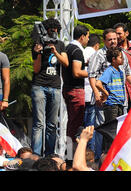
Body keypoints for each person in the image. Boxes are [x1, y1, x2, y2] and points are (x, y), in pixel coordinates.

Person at [88, 28, 131, 158]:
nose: (113, 41)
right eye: (110, 40)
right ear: (104, 41)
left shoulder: (121, 55)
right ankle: (101, 158)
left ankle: (117, 156)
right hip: (105, 101)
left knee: (119, 130)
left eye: (115, 39)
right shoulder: (99, 55)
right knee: (104, 129)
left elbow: (128, 74)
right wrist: (98, 93)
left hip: (121, 100)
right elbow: (92, 76)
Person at [30, 18, 68, 157]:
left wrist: (55, 51)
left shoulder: (60, 44)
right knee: (39, 124)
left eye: (56, 30)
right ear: (46, 30)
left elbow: (66, 63)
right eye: (52, 30)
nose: (54, 32)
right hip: (39, 86)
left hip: (55, 87)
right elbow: (36, 69)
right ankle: (35, 155)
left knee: (52, 124)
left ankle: (50, 155)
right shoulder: (37, 44)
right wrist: (39, 53)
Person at [62, 25, 90, 144]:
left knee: (72, 123)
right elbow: (77, 72)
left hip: (68, 88)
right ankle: (71, 155)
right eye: (87, 37)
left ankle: (70, 155)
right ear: (82, 37)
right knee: (75, 124)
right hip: (75, 90)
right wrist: (92, 72)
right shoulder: (77, 51)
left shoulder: (68, 48)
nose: (88, 40)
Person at [96, 47, 131, 124]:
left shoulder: (121, 72)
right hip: (111, 105)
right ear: (113, 59)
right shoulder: (109, 71)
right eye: (120, 57)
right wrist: (105, 93)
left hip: (120, 104)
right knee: (111, 128)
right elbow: (98, 83)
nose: (123, 59)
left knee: (118, 128)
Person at [83, 34, 100, 154]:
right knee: (91, 127)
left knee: (84, 126)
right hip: (92, 95)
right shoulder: (95, 55)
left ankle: (83, 151)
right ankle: (91, 154)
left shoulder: (82, 52)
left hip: (82, 94)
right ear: (97, 45)